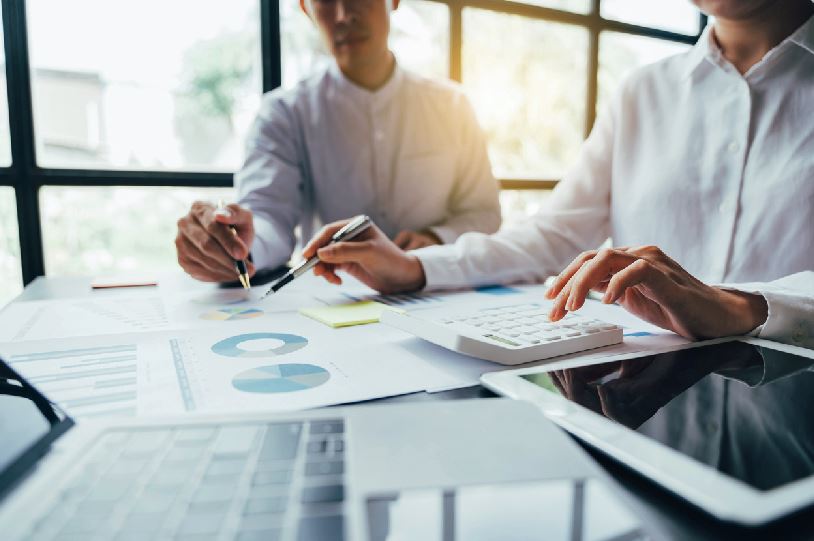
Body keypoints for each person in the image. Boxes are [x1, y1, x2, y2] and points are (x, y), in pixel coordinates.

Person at [303, 0, 814, 349]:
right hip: (651, 406)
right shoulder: (641, 92)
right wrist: (416, 269)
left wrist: (743, 307)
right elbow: (554, 236)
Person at [174, 0, 501, 284]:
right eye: (327, 0)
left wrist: (436, 239)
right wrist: (237, 246)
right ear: (308, 10)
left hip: (437, 288)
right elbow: (267, 216)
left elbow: (483, 213)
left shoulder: (453, 107)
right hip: (333, 298)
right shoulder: (284, 114)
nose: (344, 14)